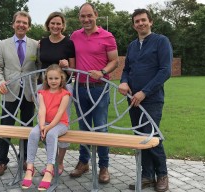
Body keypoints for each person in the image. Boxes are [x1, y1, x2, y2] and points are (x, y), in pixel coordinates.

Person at [118, 9, 172, 192]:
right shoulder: (132, 45)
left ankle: (162, 175)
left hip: (152, 99)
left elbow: (165, 71)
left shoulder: (161, 41)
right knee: (140, 138)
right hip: (132, 99)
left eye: (143, 20)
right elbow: (126, 69)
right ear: (134, 25)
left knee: (152, 137)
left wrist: (145, 92)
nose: (140, 23)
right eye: (137, 21)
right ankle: (147, 176)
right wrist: (124, 82)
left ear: (151, 22)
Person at [69, 3, 119, 184]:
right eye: (83, 16)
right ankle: (84, 162)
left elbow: (114, 61)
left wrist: (103, 71)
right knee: (83, 127)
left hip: (99, 88)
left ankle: (104, 166)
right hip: (79, 88)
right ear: (79, 17)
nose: (86, 19)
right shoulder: (74, 36)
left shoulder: (107, 36)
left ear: (96, 15)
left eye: (89, 15)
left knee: (100, 127)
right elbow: (71, 60)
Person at [0, 11, 39, 176]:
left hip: (29, 94)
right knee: (5, 127)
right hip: (9, 92)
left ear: (29, 26)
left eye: (25, 23)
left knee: (28, 128)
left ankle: (25, 159)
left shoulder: (35, 45)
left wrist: (37, 89)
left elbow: (39, 69)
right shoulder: (2, 44)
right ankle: (2, 161)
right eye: (19, 22)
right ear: (13, 24)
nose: (21, 25)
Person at [21, 64, 71, 190]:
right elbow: (42, 110)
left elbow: (60, 114)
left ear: (61, 79)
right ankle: (30, 168)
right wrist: (42, 126)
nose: (53, 81)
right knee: (33, 133)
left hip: (60, 124)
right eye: (50, 78)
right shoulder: (42, 93)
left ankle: (49, 170)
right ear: (46, 79)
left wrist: (48, 128)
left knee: (52, 134)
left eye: (56, 78)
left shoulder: (65, 94)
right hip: (45, 123)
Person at [39, 11, 75, 176]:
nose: (55, 26)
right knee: (45, 122)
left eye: (58, 23)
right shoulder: (42, 43)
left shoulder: (69, 43)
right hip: (45, 88)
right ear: (48, 25)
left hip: (63, 89)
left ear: (63, 25)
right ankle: (49, 163)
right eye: (52, 23)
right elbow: (37, 65)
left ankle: (59, 162)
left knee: (61, 122)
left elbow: (73, 70)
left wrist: (66, 65)